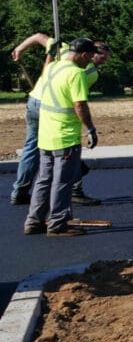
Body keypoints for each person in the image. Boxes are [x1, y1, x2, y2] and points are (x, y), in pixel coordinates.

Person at [23, 38, 99, 237]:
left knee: (43, 180)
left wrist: (50, 52)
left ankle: (34, 220)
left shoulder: (53, 67)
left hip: (46, 134)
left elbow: (44, 71)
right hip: (65, 136)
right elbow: (79, 105)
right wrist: (90, 128)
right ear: (82, 55)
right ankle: (57, 224)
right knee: (62, 181)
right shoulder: (76, 74)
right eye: (90, 57)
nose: (90, 61)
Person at [9, 31, 61, 206]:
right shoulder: (81, 68)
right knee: (61, 145)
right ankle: (71, 186)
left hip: (34, 101)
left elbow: (39, 36)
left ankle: (20, 190)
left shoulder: (61, 47)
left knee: (31, 146)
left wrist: (20, 48)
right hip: (48, 105)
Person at [71, 40, 112, 207]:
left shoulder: (90, 71)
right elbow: (78, 101)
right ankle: (74, 190)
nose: (104, 60)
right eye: (102, 57)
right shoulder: (86, 71)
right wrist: (90, 129)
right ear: (90, 53)